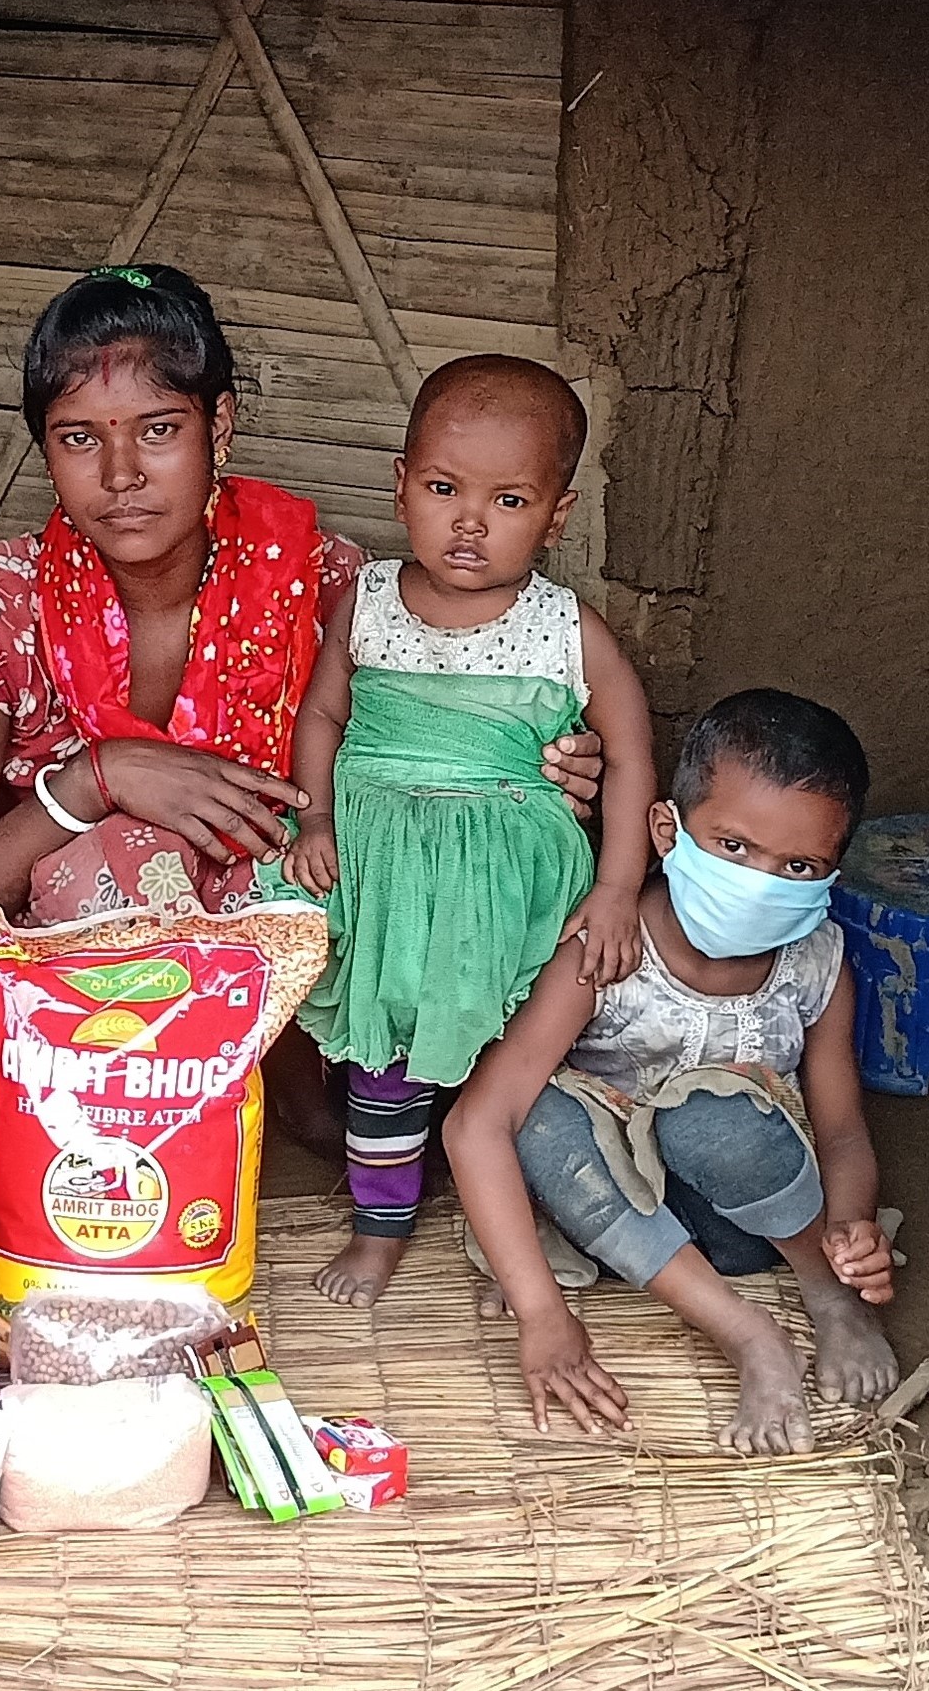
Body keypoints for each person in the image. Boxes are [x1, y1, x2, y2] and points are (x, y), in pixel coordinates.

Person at [0, 269, 604, 1156]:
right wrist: (97, 779)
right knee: (120, 854)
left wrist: (547, 765)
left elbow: (474, 746)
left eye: (159, 431)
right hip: (96, 1020)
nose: (121, 476)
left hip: (300, 961)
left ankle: (313, 1096)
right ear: (44, 448)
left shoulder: (330, 589)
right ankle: (74, 1130)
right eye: (79, 438)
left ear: (218, 426)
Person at [282, 356, 658, 1307]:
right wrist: (318, 814)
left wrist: (616, 889)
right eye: (444, 489)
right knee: (387, 1056)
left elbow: (634, 757)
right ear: (400, 483)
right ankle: (382, 1224)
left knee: (514, 1056)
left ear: (558, 517)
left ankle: (524, 1223)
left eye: (510, 500)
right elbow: (323, 716)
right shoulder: (364, 600)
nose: (469, 522)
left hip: (501, 884)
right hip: (385, 874)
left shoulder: (567, 628)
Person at [443, 689, 901, 1456]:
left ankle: (830, 1302)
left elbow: (844, 1129)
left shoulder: (816, 962)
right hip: (616, 1228)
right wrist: (541, 1310)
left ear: (831, 874)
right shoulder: (605, 950)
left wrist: (852, 1231)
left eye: (798, 865)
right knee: (541, 1121)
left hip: (752, 1225)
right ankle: (749, 1334)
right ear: (667, 831)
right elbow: (477, 1122)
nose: (761, 880)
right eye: (733, 847)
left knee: (708, 1114)